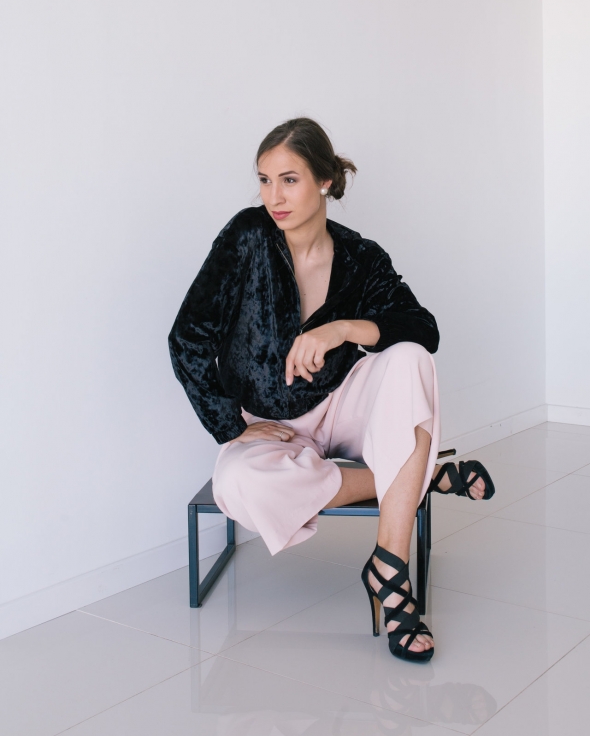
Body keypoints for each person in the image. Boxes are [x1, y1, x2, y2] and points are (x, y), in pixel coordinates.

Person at [169, 118, 495, 662]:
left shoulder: (360, 257)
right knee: (237, 483)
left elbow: (423, 329)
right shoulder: (247, 237)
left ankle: (390, 570)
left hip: (341, 405)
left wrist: (342, 328)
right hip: (269, 424)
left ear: (324, 180)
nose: (273, 196)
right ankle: (415, 475)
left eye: (289, 179)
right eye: (264, 180)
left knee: (409, 359)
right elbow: (188, 337)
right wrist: (231, 425)